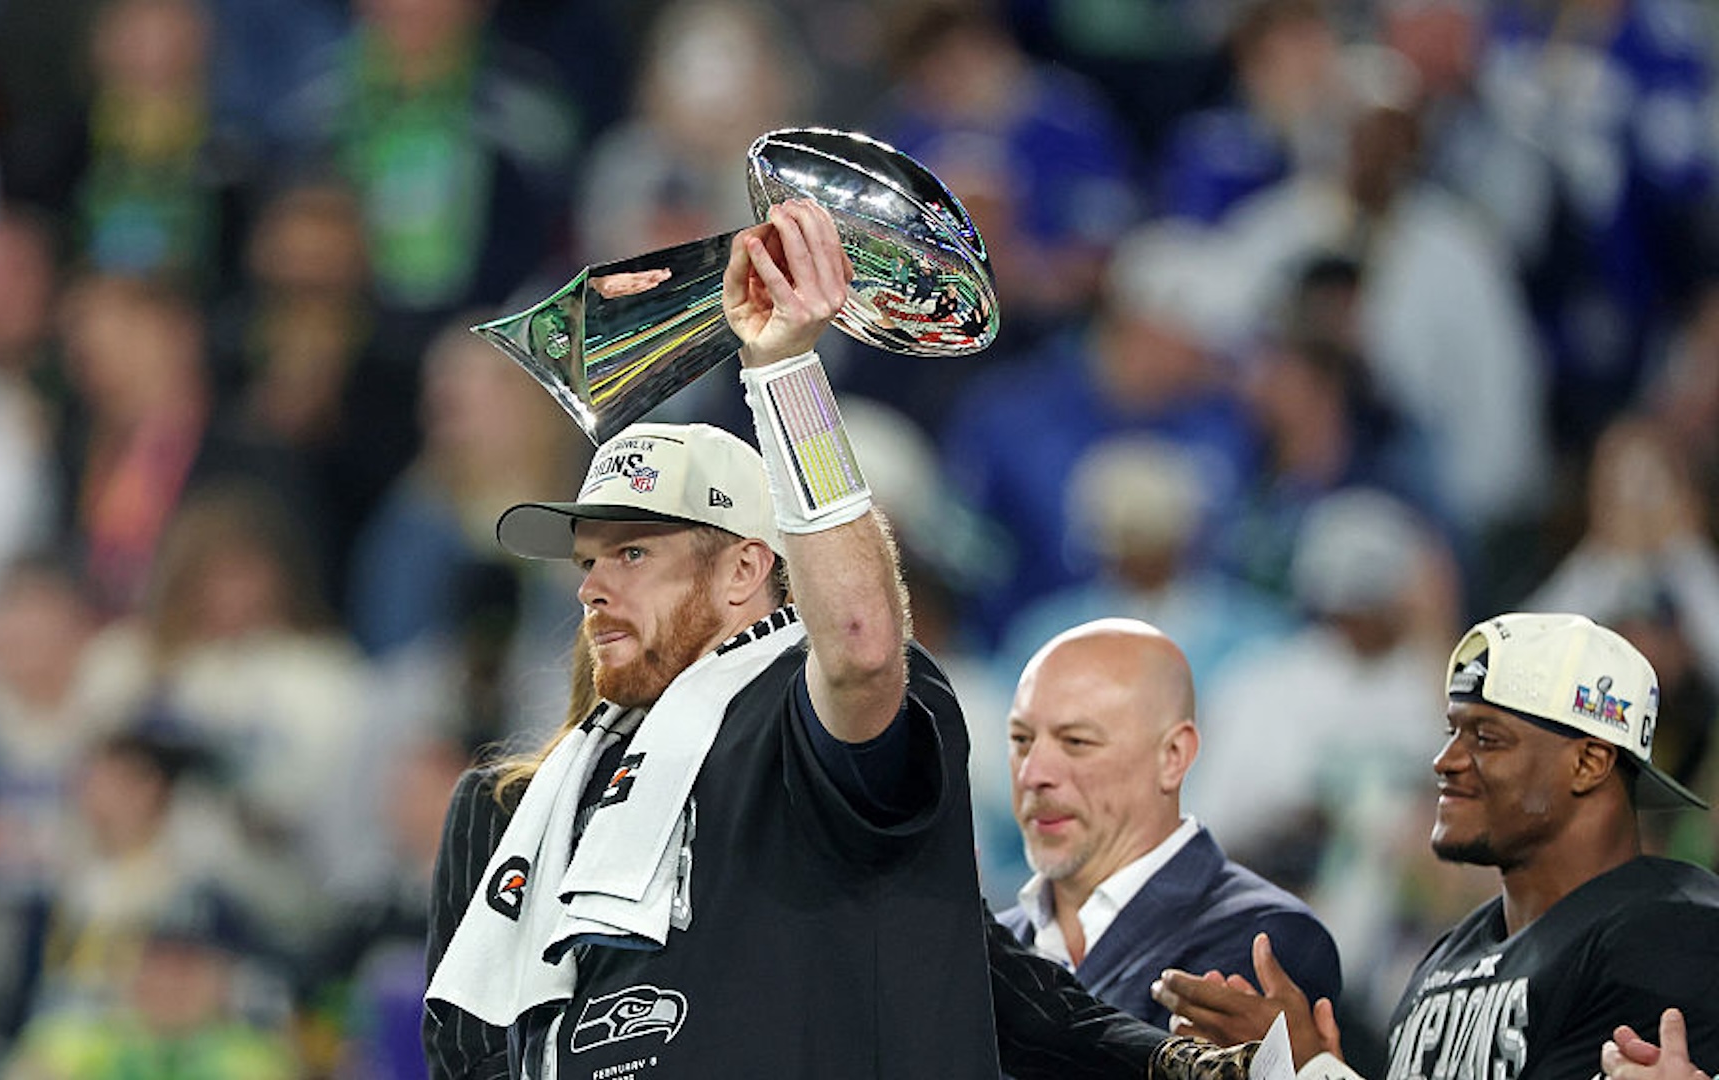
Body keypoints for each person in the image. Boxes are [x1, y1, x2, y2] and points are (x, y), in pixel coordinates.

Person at [423, 200, 1254, 1080]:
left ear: (745, 572)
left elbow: (859, 649)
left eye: (634, 552)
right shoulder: (510, 812)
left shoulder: (801, 732)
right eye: (591, 559)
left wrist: (783, 370)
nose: (594, 586)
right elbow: (464, 1055)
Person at [1154, 612, 1719, 1080]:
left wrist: (1304, 1071)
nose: (1444, 761)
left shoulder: (1672, 932)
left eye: (1486, 738)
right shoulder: (1449, 958)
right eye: (1452, 730)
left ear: (1589, 762)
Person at [995, 618, 1340, 1028]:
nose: (1033, 774)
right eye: (1022, 741)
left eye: (1076, 742)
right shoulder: (983, 947)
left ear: (1172, 757)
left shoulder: (1263, 941)